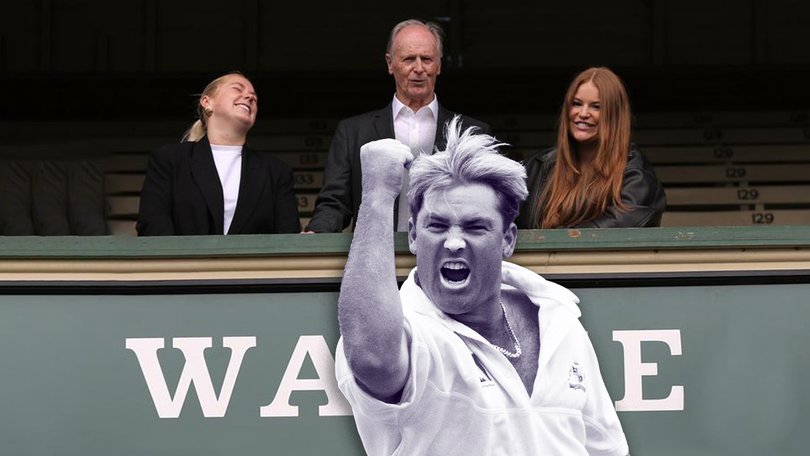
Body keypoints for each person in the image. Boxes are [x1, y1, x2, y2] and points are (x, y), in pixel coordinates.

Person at [335, 117, 630, 455]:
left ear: (507, 239)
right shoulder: (410, 334)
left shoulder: (559, 321)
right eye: (437, 226)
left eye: (475, 227)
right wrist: (377, 194)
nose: (454, 242)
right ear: (414, 235)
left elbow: (605, 448)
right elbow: (373, 358)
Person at [304, 19, 490, 233]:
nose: (419, 68)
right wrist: (316, 232)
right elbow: (334, 203)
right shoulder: (352, 133)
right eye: (409, 59)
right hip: (377, 259)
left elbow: (487, 205)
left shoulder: (473, 133)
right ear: (390, 63)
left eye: (427, 59)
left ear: (438, 65)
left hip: (450, 256)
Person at [137, 72, 300, 235]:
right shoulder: (170, 159)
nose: (249, 97)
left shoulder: (276, 172)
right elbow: (153, 223)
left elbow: (288, 234)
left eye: (254, 97)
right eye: (238, 89)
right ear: (207, 102)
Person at [516, 67, 666, 229]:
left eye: (596, 106)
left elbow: (624, 224)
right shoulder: (538, 166)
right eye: (577, 104)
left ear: (614, 115)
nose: (583, 113)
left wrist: (563, 238)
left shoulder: (635, 173)